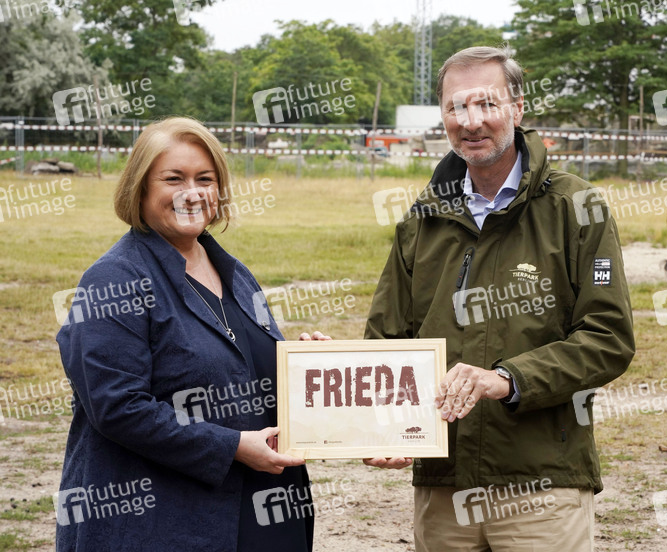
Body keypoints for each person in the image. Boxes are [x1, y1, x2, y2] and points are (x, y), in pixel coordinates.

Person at [364, 46, 636, 551]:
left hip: (543, 484)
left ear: (517, 108)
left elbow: (608, 339)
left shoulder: (577, 206)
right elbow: (386, 341)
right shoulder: (422, 220)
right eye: (456, 107)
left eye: (486, 103)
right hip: (443, 486)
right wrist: (387, 426)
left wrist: (508, 379)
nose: (471, 121)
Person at [56, 117, 327, 552]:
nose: (192, 192)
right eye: (173, 179)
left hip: (265, 507)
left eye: (205, 179)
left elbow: (244, 372)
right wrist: (231, 446)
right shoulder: (114, 280)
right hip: (165, 525)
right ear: (139, 189)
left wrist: (314, 369)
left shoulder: (234, 272)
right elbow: (118, 407)